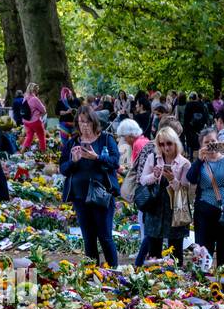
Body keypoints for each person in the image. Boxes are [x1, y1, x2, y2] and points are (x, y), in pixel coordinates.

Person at [60, 106, 120, 267]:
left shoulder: (106, 139)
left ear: (94, 122)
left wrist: (97, 157)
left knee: (105, 236)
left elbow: (115, 162)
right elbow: (63, 169)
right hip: (80, 196)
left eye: (87, 122)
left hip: (102, 195)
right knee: (88, 237)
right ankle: (92, 273)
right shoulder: (72, 142)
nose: (84, 126)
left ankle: (114, 271)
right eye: (81, 122)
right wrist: (73, 161)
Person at [185, 130, 224, 268]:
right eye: (207, 142)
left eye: (213, 141)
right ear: (201, 145)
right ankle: (203, 285)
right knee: (205, 255)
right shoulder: (201, 163)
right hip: (204, 214)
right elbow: (191, 178)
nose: (211, 145)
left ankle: (223, 285)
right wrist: (199, 160)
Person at [134, 127, 192, 267]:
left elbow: (185, 190)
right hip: (156, 205)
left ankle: (174, 277)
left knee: (175, 248)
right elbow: (142, 180)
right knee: (154, 246)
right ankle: (155, 279)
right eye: (161, 144)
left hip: (175, 207)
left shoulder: (184, 163)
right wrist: (154, 175)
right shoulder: (153, 158)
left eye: (169, 143)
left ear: (175, 143)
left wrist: (172, 179)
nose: (166, 147)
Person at [20, 83, 48, 152]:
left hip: (26, 121)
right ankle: (43, 153)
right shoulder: (35, 99)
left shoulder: (25, 98)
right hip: (35, 121)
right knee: (41, 136)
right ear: (35, 90)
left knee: (29, 137)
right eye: (37, 89)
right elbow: (44, 110)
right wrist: (39, 112)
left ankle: (22, 152)